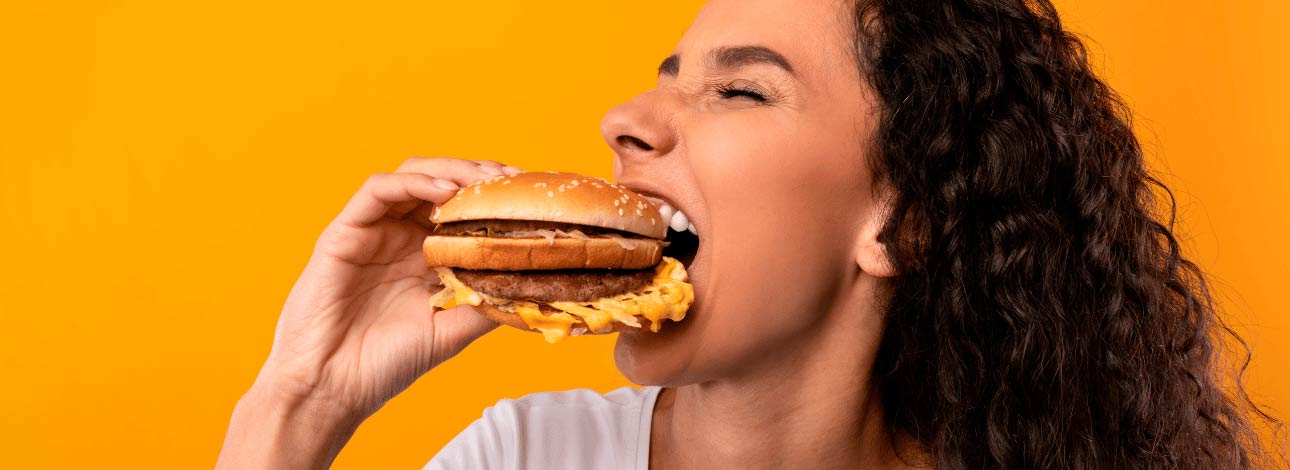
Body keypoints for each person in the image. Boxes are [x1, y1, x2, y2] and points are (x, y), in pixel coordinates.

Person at [216, 0, 1282, 468]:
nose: (624, 121)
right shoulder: (527, 456)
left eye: (740, 92)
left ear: (897, 218)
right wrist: (298, 401)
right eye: (668, 77)